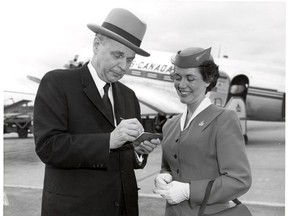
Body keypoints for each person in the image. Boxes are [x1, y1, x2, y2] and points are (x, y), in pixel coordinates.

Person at [33, 8, 159, 216]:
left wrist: (138, 151)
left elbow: (124, 160)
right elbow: (48, 146)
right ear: (96, 44)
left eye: (129, 60)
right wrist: (108, 141)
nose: (123, 66)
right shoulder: (57, 83)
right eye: (117, 55)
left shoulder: (129, 96)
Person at [153, 47, 252, 216]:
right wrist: (164, 177)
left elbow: (239, 180)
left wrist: (188, 191)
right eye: (177, 77)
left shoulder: (224, 119)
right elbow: (170, 167)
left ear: (209, 80)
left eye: (190, 78)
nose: (181, 85)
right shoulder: (169, 125)